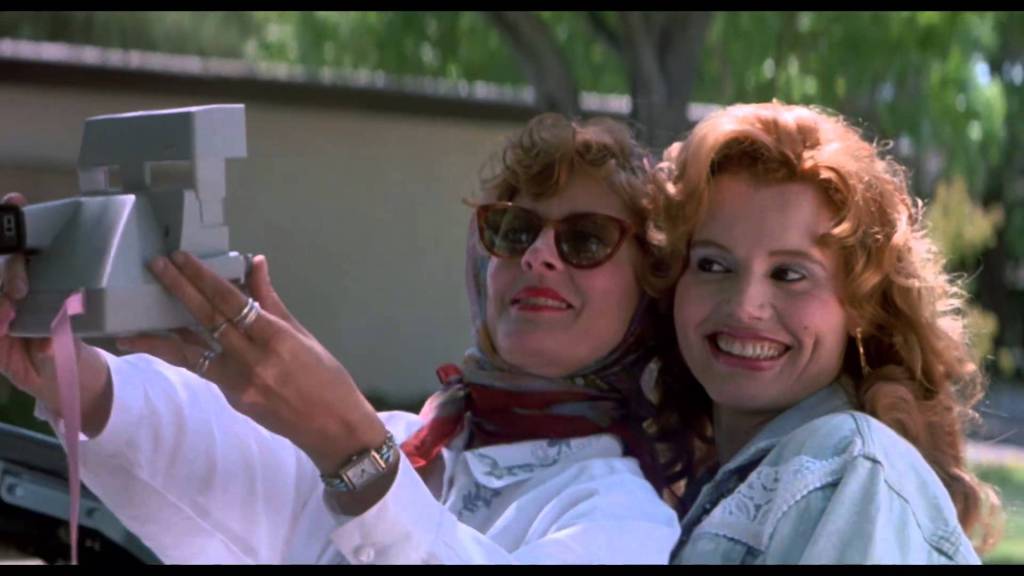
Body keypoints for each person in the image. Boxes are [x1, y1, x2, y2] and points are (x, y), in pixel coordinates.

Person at [0, 113, 686, 564]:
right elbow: (220, 467)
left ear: (650, 295)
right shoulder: (419, 440)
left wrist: (353, 449)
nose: (538, 256)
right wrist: (60, 366)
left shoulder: (626, 519)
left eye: (585, 240)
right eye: (515, 229)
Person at [652, 101, 1003, 563]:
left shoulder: (852, 473)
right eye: (713, 264)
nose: (744, 306)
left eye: (789, 274)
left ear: (860, 304)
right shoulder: (704, 480)